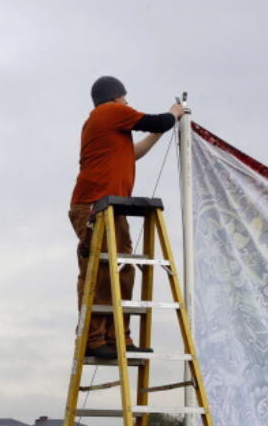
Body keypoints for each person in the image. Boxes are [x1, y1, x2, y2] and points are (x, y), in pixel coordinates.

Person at [70, 76, 187, 360]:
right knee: (101, 271)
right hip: (94, 207)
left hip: (110, 207)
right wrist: (175, 112)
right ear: (114, 97)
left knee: (123, 268)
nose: (127, 102)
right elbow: (157, 121)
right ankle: (94, 338)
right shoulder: (108, 113)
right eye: (125, 97)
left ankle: (117, 337)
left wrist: (160, 132)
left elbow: (135, 152)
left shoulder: (109, 127)